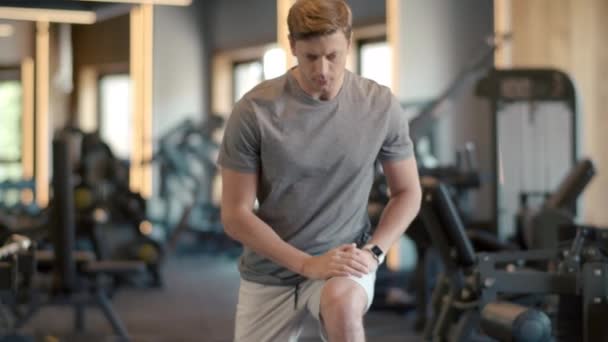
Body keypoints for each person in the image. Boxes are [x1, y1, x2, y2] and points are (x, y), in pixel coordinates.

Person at [218, 0, 421, 341]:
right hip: (271, 270)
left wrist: (374, 252)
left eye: (333, 56)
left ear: (348, 44)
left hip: (342, 262)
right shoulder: (255, 111)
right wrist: (305, 264)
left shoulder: (380, 105)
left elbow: (408, 192)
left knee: (343, 307)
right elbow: (235, 214)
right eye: (311, 57)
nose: (323, 70)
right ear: (293, 46)